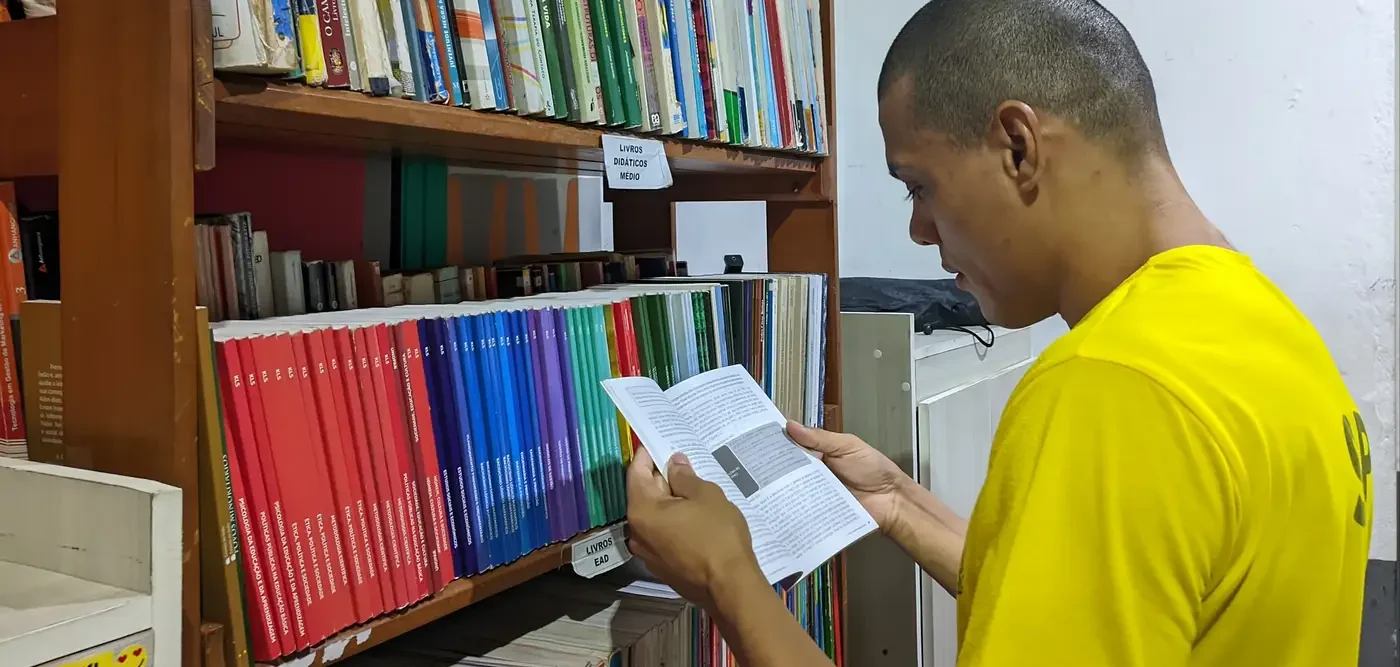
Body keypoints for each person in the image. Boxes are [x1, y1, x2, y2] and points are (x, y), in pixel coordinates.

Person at [624, 0, 1374, 665]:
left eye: (919, 185)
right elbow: (1136, 596)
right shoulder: (1264, 322)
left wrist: (728, 578)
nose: (918, 229)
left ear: (1018, 147)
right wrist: (900, 503)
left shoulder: (1110, 386)